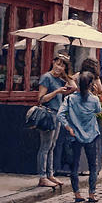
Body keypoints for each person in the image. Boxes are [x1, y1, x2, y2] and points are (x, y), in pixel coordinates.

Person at [57, 71, 102, 203]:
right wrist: (94, 94)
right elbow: (99, 111)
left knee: (74, 166)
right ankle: (92, 193)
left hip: (75, 135)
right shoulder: (94, 99)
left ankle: (77, 193)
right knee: (93, 165)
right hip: (91, 134)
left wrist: (68, 127)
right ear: (90, 85)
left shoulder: (70, 99)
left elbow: (60, 115)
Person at [37, 54, 73, 187]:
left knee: (52, 146)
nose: (59, 67)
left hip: (57, 115)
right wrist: (57, 91)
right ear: (53, 62)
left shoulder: (60, 79)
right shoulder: (46, 77)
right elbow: (41, 99)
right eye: (58, 64)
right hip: (48, 114)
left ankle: (50, 174)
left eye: (62, 65)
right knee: (45, 147)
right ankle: (42, 176)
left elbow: (74, 88)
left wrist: (67, 75)